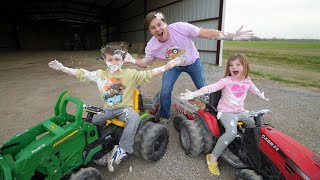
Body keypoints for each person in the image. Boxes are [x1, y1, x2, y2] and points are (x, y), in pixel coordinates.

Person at [48, 45, 182, 172]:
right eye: (110, 59)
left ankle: (122, 149)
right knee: (90, 121)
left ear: (123, 60)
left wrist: (166, 66)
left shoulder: (130, 74)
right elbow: (83, 73)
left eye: (117, 59)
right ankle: (87, 147)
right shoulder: (100, 75)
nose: (113, 62)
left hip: (124, 108)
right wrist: (63, 68)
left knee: (134, 117)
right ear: (105, 60)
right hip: (107, 109)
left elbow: (148, 74)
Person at [124, 11, 254, 124]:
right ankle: (164, 116)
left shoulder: (180, 28)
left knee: (204, 89)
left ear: (165, 23)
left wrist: (231, 36)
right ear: (150, 31)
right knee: (165, 90)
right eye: (153, 28)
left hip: (193, 62)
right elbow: (147, 62)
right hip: (173, 66)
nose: (157, 29)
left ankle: (219, 113)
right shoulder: (152, 46)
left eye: (159, 24)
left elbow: (205, 33)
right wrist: (132, 60)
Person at [180, 53, 269, 176]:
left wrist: (260, 94)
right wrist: (193, 94)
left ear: (245, 67)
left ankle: (250, 149)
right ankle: (212, 157)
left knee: (253, 126)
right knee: (231, 132)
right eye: (231, 65)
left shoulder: (247, 81)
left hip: (240, 111)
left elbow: (254, 89)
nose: (233, 67)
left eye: (237, 64)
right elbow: (210, 88)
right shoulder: (226, 81)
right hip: (226, 112)